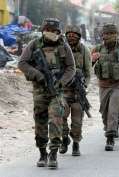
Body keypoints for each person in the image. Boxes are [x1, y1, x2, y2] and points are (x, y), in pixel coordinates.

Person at [18, 18, 76, 169]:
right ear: (43, 30)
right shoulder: (34, 44)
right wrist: (38, 75)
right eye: (48, 30)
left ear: (58, 32)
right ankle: (42, 153)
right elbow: (22, 63)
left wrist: (62, 81)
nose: (51, 33)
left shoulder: (64, 46)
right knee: (40, 121)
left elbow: (71, 68)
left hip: (57, 91)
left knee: (56, 119)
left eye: (54, 31)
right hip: (39, 91)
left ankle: (53, 153)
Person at [91, 24, 119, 151]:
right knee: (104, 112)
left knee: (113, 110)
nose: (108, 36)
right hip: (103, 86)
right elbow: (88, 66)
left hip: (118, 86)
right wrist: (92, 60)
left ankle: (110, 138)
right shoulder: (97, 49)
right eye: (106, 34)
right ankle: (109, 129)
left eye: (111, 33)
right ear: (102, 35)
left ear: (116, 35)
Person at [59, 25, 91, 156]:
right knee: (60, 117)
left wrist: (84, 85)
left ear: (79, 37)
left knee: (77, 122)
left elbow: (88, 72)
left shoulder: (84, 50)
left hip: (78, 93)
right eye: (69, 35)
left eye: (74, 35)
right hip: (63, 91)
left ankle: (76, 144)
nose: (71, 38)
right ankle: (64, 139)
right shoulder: (61, 50)